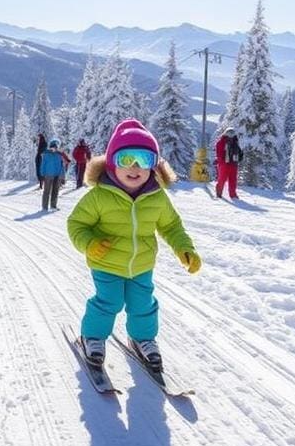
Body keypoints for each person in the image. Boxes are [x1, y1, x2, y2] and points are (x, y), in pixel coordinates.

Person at [67, 119, 201, 371]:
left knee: (143, 305)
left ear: (154, 165)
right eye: (127, 158)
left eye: (144, 159)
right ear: (112, 162)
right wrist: (89, 244)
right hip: (106, 263)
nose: (136, 167)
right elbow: (76, 224)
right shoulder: (99, 196)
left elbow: (171, 226)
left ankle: (143, 339)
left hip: (141, 265)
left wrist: (185, 249)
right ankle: (93, 337)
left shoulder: (157, 197)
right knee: (109, 302)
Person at [215, 127, 243, 200]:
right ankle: (219, 192)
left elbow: (239, 152)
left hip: (233, 164)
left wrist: (239, 157)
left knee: (233, 180)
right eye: (229, 133)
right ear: (226, 133)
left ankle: (233, 194)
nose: (231, 135)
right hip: (225, 164)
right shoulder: (221, 142)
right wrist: (221, 162)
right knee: (222, 179)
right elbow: (219, 153)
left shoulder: (235, 142)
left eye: (232, 133)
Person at [39, 138, 67, 211]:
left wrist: (63, 177)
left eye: (55, 147)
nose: (54, 149)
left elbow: (62, 166)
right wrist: (42, 175)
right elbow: (43, 165)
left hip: (57, 176)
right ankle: (44, 207)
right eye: (53, 147)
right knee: (46, 191)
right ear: (50, 146)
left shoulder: (59, 155)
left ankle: (53, 206)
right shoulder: (46, 154)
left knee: (55, 191)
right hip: (48, 175)